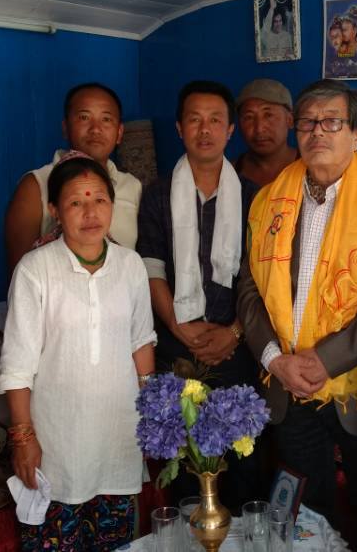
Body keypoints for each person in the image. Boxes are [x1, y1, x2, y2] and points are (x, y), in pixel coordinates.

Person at [237, 79, 357, 551]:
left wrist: (326, 360)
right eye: (308, 122)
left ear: (356, 134)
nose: (318, 131)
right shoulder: (267, 202)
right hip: (286, 384)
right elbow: (249, 289)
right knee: (306, 511)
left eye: (332, 121)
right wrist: (276, 359)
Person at [0, 154, 157, 550]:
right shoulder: (36, 270)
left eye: (100, 200)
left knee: (115, 543)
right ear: (55, 211)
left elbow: (141, 341)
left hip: (118, 439)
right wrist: (22, 437)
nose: (90, 212)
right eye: (75, 202)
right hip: (56, 445)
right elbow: (17, 364)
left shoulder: (131, 265)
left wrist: (153, 415)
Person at [136, 80, 263, 508]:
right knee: (186, 463)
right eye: (194, 119)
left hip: (237, 350)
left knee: (242, 462)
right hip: (177, 349)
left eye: (215, 120)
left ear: (230, 132)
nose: (204, 129)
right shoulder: (156, 194)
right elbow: (151, 267)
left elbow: (263, 278)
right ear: (179, 128)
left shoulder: (253, 198)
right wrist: (178, 326)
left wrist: (236, 332)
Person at [4, 82, 142, 275]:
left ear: (119, 133)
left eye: (106, 119)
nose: (95, 129)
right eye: (84, 117)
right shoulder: (35, 185)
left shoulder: (133, 187)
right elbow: (20, 276)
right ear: (65, 127)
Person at [234, 79, 298, 186]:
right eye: (249, 117)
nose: (259, 128)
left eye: (268, 115)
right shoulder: (228, 175)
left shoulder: (312, 169)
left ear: (290, 120)